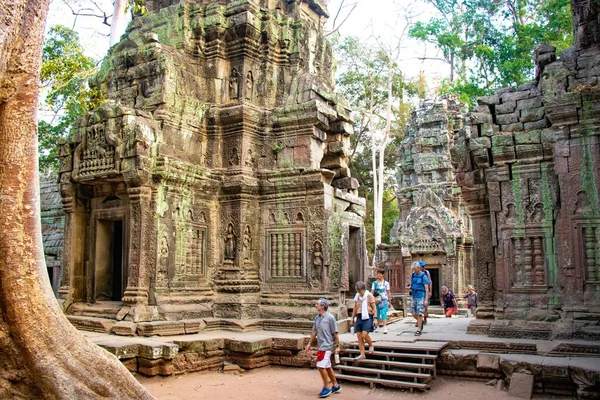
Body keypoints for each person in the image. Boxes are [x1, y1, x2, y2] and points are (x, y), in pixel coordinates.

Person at [305, 298, 342, 398]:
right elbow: (314, 332)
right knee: (327, 366)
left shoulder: (330, 318)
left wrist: (337, 346)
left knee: (320, 366)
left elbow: (335, 334)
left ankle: (326, 387)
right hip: (321, 345)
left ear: (322, 306)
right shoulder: (317, 318)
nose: (316, 305)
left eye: (317, 304)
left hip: (327, 345)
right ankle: (335, 385)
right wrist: (309, 344)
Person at [350, 281, 376, 359]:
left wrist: (375, 318)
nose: (359, 292)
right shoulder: (357, 296)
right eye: (358, 291)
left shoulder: (369, 295)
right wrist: (352, 318)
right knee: (359, 336)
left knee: (364, 334)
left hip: (368, 315)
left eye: (360, 291)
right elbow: (355, 307)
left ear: (363, 289)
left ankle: (371, 345)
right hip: (359, 316)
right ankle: (362, 354)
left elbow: (374, 307)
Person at [410, 261, 430, 336]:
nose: (414, 270)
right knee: (412, 311)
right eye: (413, 269)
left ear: (419, 268)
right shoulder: (413, 275)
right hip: (414, 294)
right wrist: (409, 287)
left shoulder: (423, 276)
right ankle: (420, 322)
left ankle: (419, 329)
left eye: (415, 269)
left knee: (420, 312)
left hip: (421, 295)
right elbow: (412, 284)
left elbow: (426, 288)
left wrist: (426, 299)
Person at [371, 269, 392, 334]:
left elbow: (388, 292)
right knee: (377, 314)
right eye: (378, 274)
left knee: (383, 313)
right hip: (377, 300)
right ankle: (377, 326)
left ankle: (385, 327)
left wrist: (389, 301)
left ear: (383, 275)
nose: (378, 275)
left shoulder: (386, 283)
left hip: (384, 300)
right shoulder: (374, 283)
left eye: (380, 274)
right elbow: (372, 291)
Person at [418, 260, 432, 325]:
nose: (422, 267)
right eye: (421, 266)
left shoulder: (426, 273)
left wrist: (430, 292)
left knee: (425, 306)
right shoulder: (415, 273)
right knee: (418, 307)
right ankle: (419, 320)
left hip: (425, 291)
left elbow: (429, 282)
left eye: (423, 266)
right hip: (418, 292)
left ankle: (425, 318)